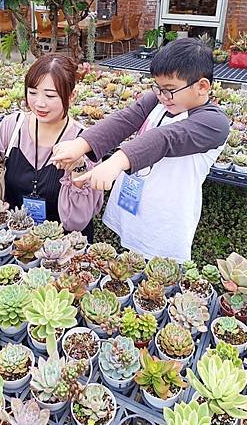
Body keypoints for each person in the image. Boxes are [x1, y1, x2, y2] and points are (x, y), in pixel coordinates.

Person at [51, 38, 230, 262]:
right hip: (133, 204)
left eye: (170, 90)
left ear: (202, 87)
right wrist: (80, 145)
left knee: (156, 273)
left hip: (164, 219)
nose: (163, 95)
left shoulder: (213, 123)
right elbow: (124, 120)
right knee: (129, 261)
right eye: (158, 87)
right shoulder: (158, 101)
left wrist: (115, 162)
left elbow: (166, 138)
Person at [0, 54, 103, 239]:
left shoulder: (84, 141)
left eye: (50, 95)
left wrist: (78, 169)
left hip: (64, 249)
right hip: (16, 239)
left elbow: (76, 221)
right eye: (33, 92)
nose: (39, 103)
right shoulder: (13, 126)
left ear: (72, 96)